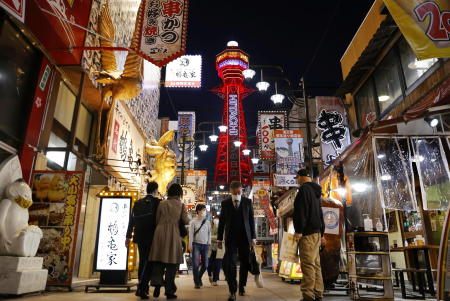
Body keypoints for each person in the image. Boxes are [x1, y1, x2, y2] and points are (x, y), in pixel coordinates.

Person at [146, 183, 190, 300]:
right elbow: (186, 220)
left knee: (158, 261)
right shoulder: (181, 205)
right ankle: (169, 291)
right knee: (172, 263)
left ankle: (157, 283)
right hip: (173, 233)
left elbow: (157, 220)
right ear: (179, 193)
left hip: (159, 233)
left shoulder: (162, 203)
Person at [217, 181, 256, 301]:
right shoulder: (225, 203)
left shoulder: (247, 202)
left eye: (239, 192)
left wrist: (253, 237)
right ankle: (232, 290)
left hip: (245, 237)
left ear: (242, 191)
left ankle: (242, 286)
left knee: (245, 262)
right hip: (231, 238)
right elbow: (222, 222)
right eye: (235, 192)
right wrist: (219, 239)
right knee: (230, 264)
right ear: (231, 192)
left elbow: (251, 220)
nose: (237, 194)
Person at [292, 169, 326, 301]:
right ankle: (318, 293)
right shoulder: (316, 192)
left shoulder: (303, 190)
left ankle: (308, 295)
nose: (297, 180)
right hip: (317, 233)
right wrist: (322, 233)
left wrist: (299, 230)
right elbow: (320, 213)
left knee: (308, 264)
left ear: (300, 177)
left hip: (307, 234)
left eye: (297, 178)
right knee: (316, 264)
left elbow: (301, 211)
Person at [126, 182, 161, 298]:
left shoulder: (138, 202)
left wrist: (128, 236)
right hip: (152, 236)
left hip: (140, 236)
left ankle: (141, 287)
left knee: (142, 261)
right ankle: (142, 288)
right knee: (150, 262)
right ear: (155, 190)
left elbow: (131, 220)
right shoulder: (157, 202)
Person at [189, 204, 211, 289]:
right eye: (202, 210)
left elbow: (209, 233)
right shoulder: (193, 222)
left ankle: (198, 277)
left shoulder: (207, 222)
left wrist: (208, 243)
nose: (204, 212)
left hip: (205, 245)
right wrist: (190, 245)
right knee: (196, 264)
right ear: (198, 211)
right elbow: (190, 234)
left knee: (205, 264)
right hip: (196, 245)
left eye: (205, 210)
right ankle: (196, 282)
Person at [207, 216, 223, 286]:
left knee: (217, 265)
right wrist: (215, 238)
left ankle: (215, 280)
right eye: (215, 219)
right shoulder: (210, 227)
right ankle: (210, 275)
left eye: (217, 219)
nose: (216, 220)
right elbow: (207, 237)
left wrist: (212, 238)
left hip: (219, 249)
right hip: (211, 249)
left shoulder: (222, 228)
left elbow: (221, 238)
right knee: (208, 264)